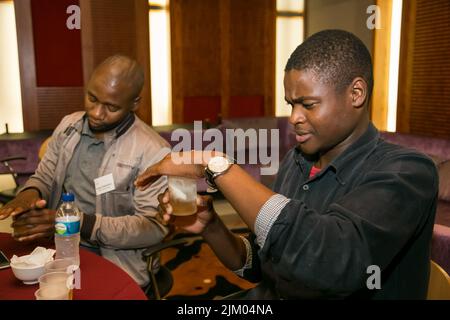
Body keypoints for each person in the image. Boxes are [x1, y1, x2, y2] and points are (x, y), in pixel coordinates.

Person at [134, 30, 438, 299]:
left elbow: (329, 262)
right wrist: (211, 227)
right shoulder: (296, 160)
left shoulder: (406, 172)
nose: (294, 117)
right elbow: (260, 263)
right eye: (291, 104)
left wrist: (214, 163)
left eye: (308, 104)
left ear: (355, 94)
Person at [0, 55, 170, 288]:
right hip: (57, 247)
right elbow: (45, 175)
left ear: (135, 103)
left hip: (113, 260)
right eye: (92, 98)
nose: (97, 113)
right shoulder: (68, 125)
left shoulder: (154, 152)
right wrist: (30, 193)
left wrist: (81, 224)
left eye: (111, 107)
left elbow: (153, 228)